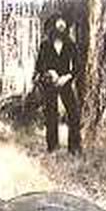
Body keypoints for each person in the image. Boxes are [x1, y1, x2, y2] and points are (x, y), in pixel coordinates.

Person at [34, 14, 81, 154]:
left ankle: (74, 147)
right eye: (59, 24)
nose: (61, 27)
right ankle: (52, 146)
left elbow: (77, 66)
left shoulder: (70, 44)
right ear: (53, 26)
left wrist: (67, 77)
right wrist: (49, 72)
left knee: (73, 113)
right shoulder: (45, 44)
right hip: (50, 83)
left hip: (65, 82)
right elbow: (39, 66)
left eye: (63, 25)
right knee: (51, 114)